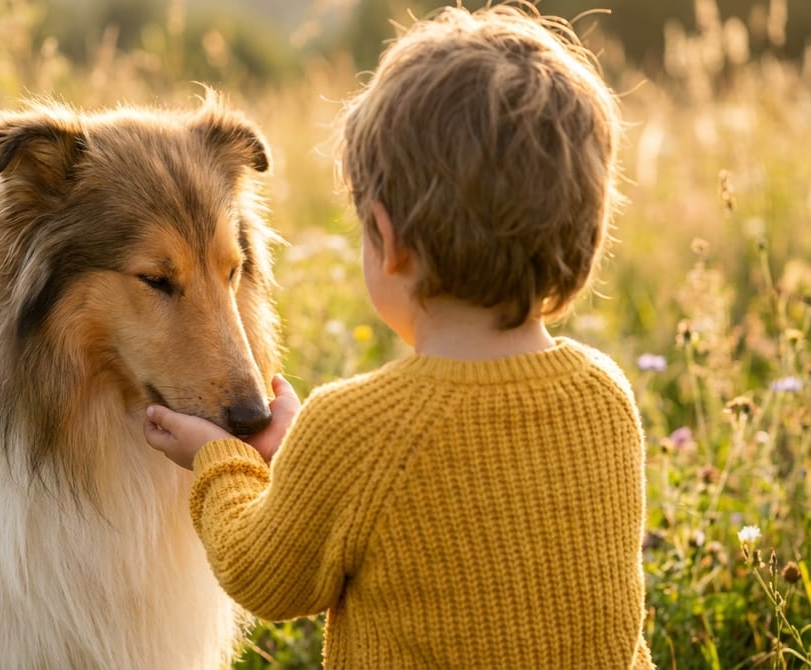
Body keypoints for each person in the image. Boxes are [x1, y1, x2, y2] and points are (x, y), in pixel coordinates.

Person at [143, 3, 654, 668]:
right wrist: (303, 457)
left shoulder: (354, 429)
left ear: (389, 242)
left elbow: (265, 576)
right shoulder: (605, 397)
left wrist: (220, 462)